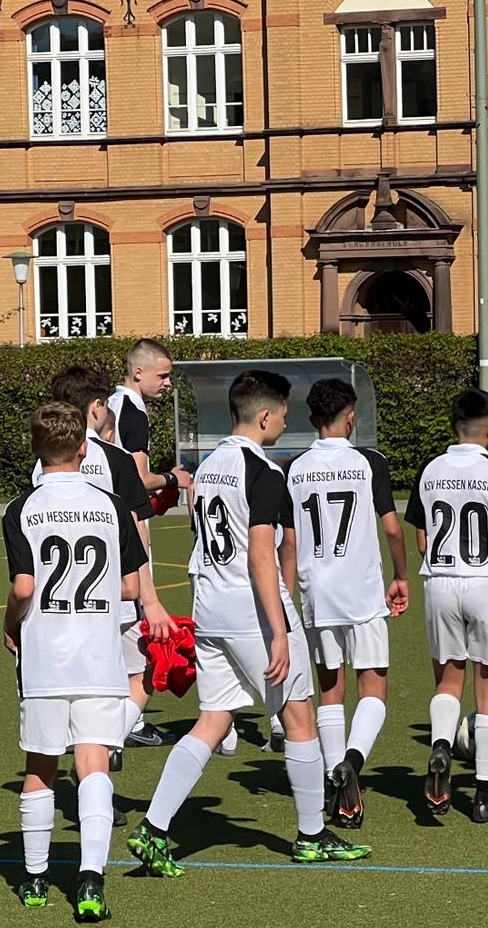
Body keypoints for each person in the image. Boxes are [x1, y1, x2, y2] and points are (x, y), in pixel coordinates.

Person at [127, 371, 369, 874]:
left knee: (214, 720)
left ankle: (153, 828)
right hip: (251, 611)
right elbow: (261, 554)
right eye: (281, 414)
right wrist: (279, 629)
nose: (284, 422)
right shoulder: (263, 471)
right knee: (299, 719)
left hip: (210, 607)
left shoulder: (208, 466)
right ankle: (312, 835)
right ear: (264, 417)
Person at [3, 403, 148, 921]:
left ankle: (35, 879)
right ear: (84, 449)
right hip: (98, 657)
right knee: (93, 764)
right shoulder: (111, 505)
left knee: (41, 766)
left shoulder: (21, 508)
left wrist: (9, 622)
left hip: (44, 657)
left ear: (36, 451)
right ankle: (90, 880)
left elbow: (25, 588)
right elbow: (130, 585)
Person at [32, 367, 175, 778]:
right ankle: (106, 743)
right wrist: (151, 598)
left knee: (75, 686)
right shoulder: (115, 459)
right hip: (117, 593)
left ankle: (90, 750)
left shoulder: (44, 465)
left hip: (59, 601)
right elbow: (137, 532)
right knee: (144, 670)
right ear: (97, 407)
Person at [286, 378, 409, 828]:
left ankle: (333, 781)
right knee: (373, 688)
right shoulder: (368, 462)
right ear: (351, 416)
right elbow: (392, 528)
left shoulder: (294, 469)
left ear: (312, 418)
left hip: (317, 593)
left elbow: (289, 542)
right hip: (361, 591)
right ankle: (351, 765)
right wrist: (400, 575)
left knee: (330, 689)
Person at [406, 389, 488, 825]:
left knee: (448, 679)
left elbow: (423, 541)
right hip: (485, 582)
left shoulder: (430, 468)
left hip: (440, 582)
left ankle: (441, 745)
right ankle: (483, 796)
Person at [107, 338, 191, 750]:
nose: (168, 383)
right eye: (163, 375)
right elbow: (138, 479)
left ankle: (114, 716)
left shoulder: (110, 404)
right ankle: (124, 726)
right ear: (137, 372)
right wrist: (174, 479)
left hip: (103, 523)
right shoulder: (134, 411)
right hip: (126, 527)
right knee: (139, 630)